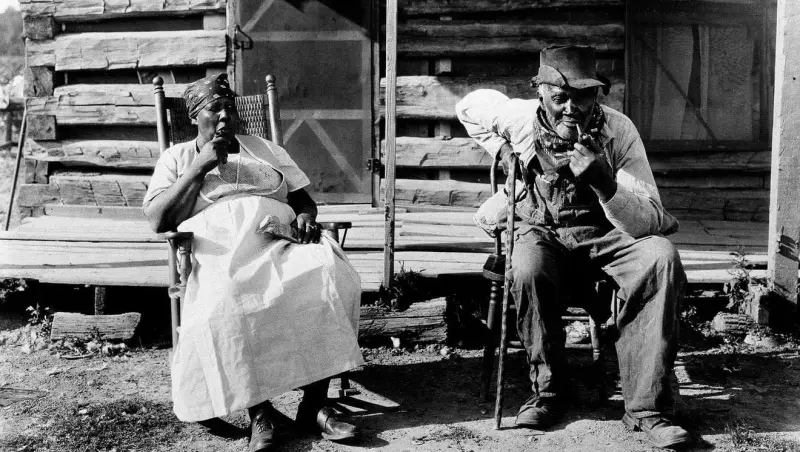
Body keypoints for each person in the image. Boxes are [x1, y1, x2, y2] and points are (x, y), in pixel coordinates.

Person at [456, 45, 691, 450]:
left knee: (660, 257)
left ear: (599, 95)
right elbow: (469, 107)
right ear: (540, 93)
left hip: (605, 235)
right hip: (542, 229)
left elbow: (650, 218)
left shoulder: (619, 131)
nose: (571, 108)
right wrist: (503, 148)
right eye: (559, 97)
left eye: (582, 97)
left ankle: (647, 409)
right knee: (527, 266)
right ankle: (548, 393)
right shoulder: (520, 119)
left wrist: (605, 183)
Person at [143, 73, 364, 452]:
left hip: (278, 239)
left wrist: (306, 218)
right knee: (227, 296)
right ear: (196, 115)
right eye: (216, 108)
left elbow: (303, 200)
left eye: (230, 107)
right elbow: (158, 219)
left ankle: (314, 405)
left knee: (332, 273)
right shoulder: (177, 157)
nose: (226, 115)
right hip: (219, 251)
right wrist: (200, 166)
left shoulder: (264, 149)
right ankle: (259, 412)